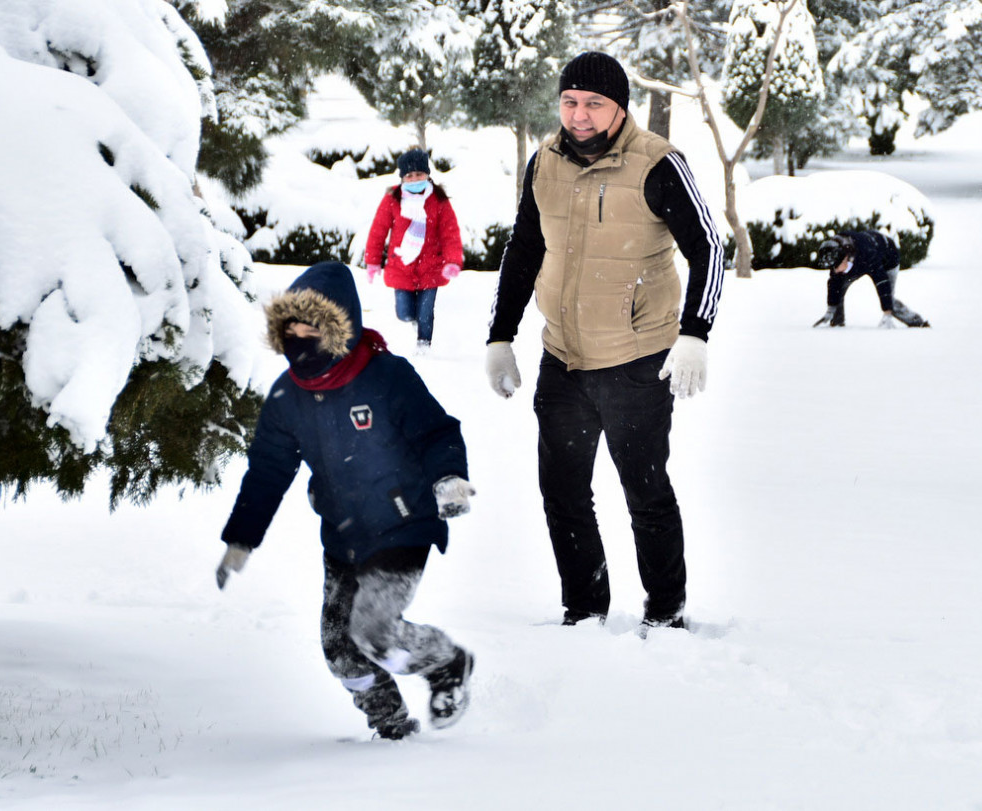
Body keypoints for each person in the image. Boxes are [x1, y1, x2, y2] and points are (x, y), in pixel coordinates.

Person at [483, 52, 725, 632]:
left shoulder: (658, 163)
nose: (580, 115)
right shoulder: (544, 161)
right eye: (570, 101)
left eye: (594, 104)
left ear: (620, 108)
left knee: (645, 493)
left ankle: (666, 611)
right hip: (562, 358)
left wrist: (694, 334)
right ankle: (584, 610)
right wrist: (500, 335)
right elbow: (524, 248)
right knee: (563, 493)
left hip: (637, 361)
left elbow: (710, 248)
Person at [216, 261, 477, 740]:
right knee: (339, 649)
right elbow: (268, 472)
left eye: (311, 326)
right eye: (290, 327)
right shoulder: (287, 397)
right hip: (342, 533)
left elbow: (437, 432)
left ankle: (445, 662)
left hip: (404, 522)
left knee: (375, 633)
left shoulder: (385, 376)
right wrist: (241, 539)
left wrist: (449, 479)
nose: (299, 337)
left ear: (339, 329)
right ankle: (392, 726)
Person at [365, 148, 464, 352]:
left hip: (431, 266)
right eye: (409, 176)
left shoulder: (438, 200)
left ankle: (424, 344)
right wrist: (373, 261)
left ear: (427, 174)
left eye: (419, 174)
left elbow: (450, 233)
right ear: (402, 178)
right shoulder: (392, 199)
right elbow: (378, 231)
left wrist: (452, 260)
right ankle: (414, 321)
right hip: (401, 265)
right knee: (404, 313)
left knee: (426, 311)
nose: (414, 179)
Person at [812, 230, 930, 328]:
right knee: (839, 285)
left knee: (888, 298)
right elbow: (834, 284)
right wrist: (830, 310)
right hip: (857, 259)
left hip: (887, 258)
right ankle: (837, 322)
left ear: (845, 258)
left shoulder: (867, 253)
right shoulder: (836, 251)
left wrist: (887, 313)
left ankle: (917, 322)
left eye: (836, 267)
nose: (835, 271)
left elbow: (881, 281)